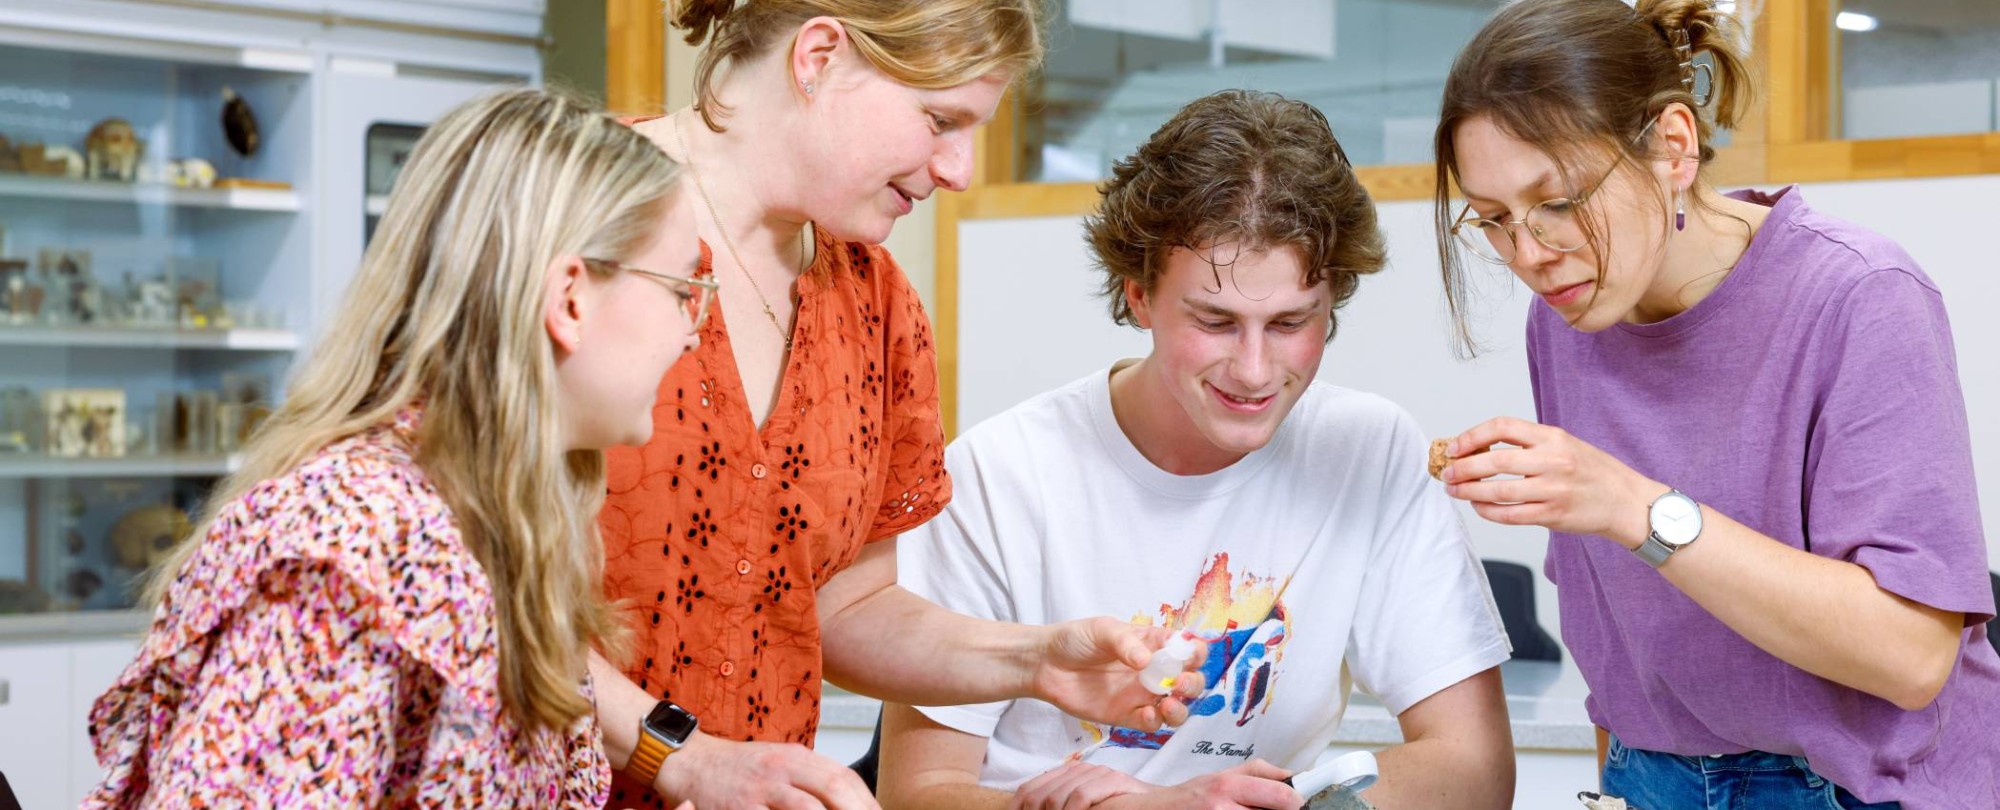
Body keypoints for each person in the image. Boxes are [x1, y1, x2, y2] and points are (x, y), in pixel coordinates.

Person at [591, 3, 1200, 809]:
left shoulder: (875, 304)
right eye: (941, 119)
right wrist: (683, 757)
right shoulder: (567, 213)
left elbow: (846, 606)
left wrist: (1034, 663)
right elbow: (450, 578)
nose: (960, 170)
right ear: (818, 58)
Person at [876, 90, 1516, 810]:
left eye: (1289, 323)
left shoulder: (1369, 451)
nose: (1253, 369)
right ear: (1140, 296)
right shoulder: (1001, 474)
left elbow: (1474, 769)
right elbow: (919, 793)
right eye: (1215, 321)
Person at [1430, 1, 2000, 807]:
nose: (1529, 254)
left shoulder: (1861, 296)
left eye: (1557, 201)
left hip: (1860, 789)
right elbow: (1620, 639)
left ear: (1673, 146)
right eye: (1493, 220)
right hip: (1650, 775)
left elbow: (1910, 658)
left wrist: (1630, 504)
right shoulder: (1563, 320)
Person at [83, 88, 712, 807]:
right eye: (680, 288)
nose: (690, 330)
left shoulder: (490, 521)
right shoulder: (353, 544)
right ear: (570, 298)